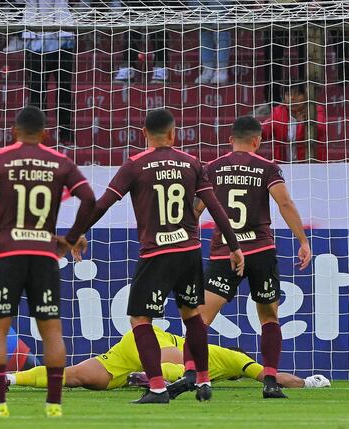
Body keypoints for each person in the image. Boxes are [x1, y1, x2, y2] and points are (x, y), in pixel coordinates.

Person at [85, 108, 244, 404]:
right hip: (189, 251)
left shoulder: (134, 165)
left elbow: (104, 203)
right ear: (173, 134)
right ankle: (203, 380)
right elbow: (215, 206)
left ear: (143, 134)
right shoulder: (192, 163)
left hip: (157, 252)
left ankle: (157, 387)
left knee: (140, 318)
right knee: (192, 315)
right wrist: (234, 246)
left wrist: (76, 233)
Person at [0, 105, 95, 418]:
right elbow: (89, 198)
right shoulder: (60, 161)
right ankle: (54, 405)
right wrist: (69, 237)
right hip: (43, 254)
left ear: (13, 131)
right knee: (52, 331)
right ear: (46, 133)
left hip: (7, 253)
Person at [176, 115, 312, 399]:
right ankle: (271, 381)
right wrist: (302, 240)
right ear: (257, 141)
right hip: (260, 251)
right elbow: (284, 202)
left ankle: (192, 373)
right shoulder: (267, 168)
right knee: (269, 316)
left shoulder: (211, 168)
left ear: (230, 140)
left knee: (200, 318)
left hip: (225, 251)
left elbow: (196, 209)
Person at [9, 326, 331, 392]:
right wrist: (309, 382)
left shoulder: (222, 353)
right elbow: (269, 377)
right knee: (180, 364)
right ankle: (154, 379)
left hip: (132, 346)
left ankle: (11, 378)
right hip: (151, 347)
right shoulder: (231, 358)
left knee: (79, 375)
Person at [21, 0, 75, 145]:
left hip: (63, 36)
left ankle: (66, 135)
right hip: (34, 37)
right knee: (36, 90)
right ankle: (37, 135)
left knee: (64, 89)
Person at [262, 83, 328, 163]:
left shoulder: (315, 109)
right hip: (283, 164)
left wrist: (305, 122)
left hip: (310, 164)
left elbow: (321, 130)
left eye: (298, 94)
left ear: (306, 96)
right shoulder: (279, 111)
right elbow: (265, 131)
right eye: (288, 94)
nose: (292, 98)